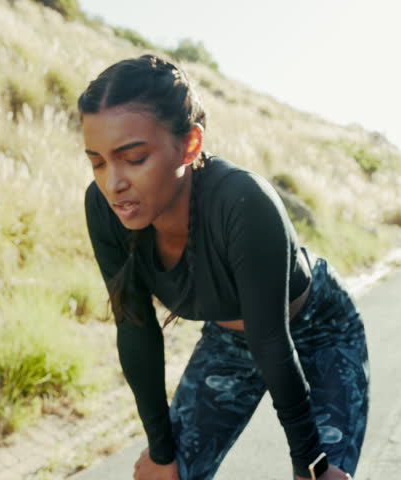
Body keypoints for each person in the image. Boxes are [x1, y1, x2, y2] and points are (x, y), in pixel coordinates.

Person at [79, 55, 369, 480]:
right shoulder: (104, 209)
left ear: (190, 144)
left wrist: (310, 463)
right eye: (98, 162)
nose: (113, 182)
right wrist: (162, 453)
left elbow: (270, 339)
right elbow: (135, 328)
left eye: (134, 157)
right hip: (229, 341)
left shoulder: (242, 201)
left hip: (319, 329)